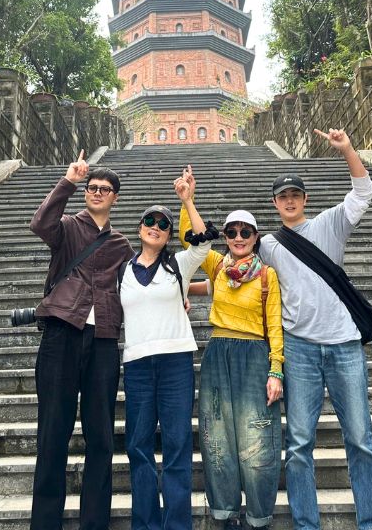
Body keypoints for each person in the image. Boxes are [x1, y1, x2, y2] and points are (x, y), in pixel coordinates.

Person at [259, 128, 372, 530]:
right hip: (298, 348)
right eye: (283, 196)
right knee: (298, 444)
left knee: (361, 440)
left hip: (344, 343)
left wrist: (348, 148)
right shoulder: (269, 245)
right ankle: (306, 524)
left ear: (304, 200)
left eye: (295, 195)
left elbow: (364, 194)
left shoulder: (329, 224)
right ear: (275, 204)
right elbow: (231, 261)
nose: (290, 201)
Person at [28, 151, 134, 530]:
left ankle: (95, 523)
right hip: (62, 334)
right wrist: (68, 181)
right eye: (92, 187)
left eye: (105, 189)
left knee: (101, 438)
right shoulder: (69, 227)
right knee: (53, 434)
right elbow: (40, 224)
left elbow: (140, 283)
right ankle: (44, 523)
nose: (97, 192)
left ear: (115, 197)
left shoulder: (122, 245)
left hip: (103, 341)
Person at [180, 187, 285, 530]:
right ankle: (224, 514)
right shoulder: (216, 267)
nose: (239, 237)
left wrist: (276, 371)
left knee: (258, 439)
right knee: (217, 437)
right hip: (218, 352)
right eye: (232, 232)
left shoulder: (267, 276)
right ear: (225, 237)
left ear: (255, 237)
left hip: (254, 354)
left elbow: (275, 327)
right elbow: (189, 240)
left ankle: (258, 517)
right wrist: (187, 201)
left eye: (246, 232)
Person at [121, 168, 212, 530]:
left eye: (163, 223)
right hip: (139, 364)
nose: (155, 226)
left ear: (169, 233)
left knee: (176, 446)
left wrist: (186, 201)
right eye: (149, 220)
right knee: (138, 447)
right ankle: (145, 524)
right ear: (140, 227)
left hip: (175, 361)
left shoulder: (179, 265)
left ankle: (177, 525)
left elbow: (204, 242)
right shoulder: (121, 269)